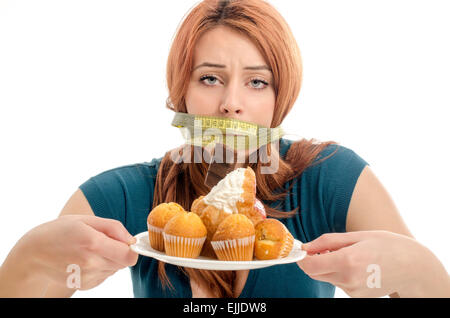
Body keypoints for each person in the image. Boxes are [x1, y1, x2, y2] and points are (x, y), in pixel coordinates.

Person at [0, 0, 448, 298]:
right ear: (183, 94)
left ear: (280, 99)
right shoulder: (120, 194)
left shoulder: (333, 178)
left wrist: (410, 267)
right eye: (210, 78)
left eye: (257, 82)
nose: (231, 103)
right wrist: (31, 259)